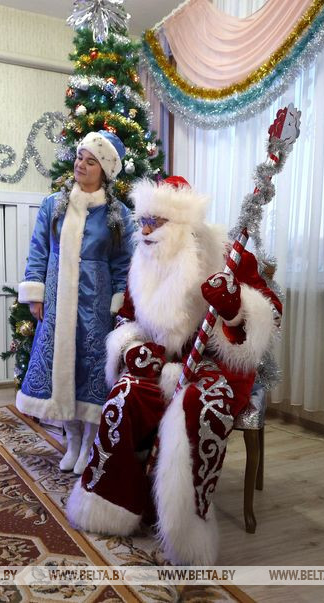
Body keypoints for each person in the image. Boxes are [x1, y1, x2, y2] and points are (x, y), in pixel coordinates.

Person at [66, 177, 282, 565]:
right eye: (143, 221)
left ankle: (186, 527)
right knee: (126, 396)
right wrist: (131, 347)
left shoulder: (226, 256)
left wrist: (234, 308)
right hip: (159, 361)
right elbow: (128, 317)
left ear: (182, 224)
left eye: (157, 222)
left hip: (215, 364)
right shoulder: (142, 260)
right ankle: (117, 503)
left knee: (200, 407)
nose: (146, 230)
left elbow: (269, 318)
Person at [16, 130, 135, 475]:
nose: (81, 164)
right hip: (57, 299)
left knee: (91, 368)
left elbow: (123, 262)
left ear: (105, 170)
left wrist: (117, 302)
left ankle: (89, 444)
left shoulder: (117, 213)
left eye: (91, 161)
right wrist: (36, 293)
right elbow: (38, 250)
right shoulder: (53, 205)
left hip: (95, 302)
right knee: (60, 366)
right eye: (80, 157)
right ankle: (72, 440)